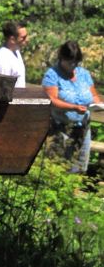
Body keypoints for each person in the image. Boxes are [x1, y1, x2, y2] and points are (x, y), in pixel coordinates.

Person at [42, 39, 102, 173]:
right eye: (70, 62)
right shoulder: (52, 75)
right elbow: (51, 100)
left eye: (76, 62)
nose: (74, 65)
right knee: (60, 168)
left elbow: (94, 96)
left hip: (83, 128)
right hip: (61, 128)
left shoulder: (84, 74)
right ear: (62, 58)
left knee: (80, 168)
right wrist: (73, 107)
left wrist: (98, 105)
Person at [0, 19, 28, 86]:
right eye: (23, 38)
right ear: (12, 39)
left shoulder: (16, 52)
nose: (27, 40)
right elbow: (3, 88)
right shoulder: (3, 59)